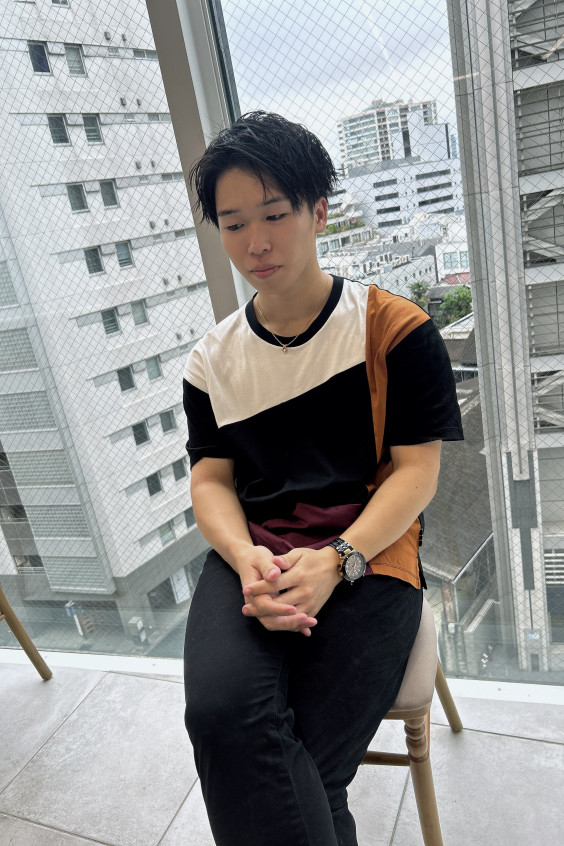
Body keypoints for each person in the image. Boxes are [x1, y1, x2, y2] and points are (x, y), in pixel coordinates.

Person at [182, 111, 463, 846]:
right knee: (219, 718)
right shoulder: (212, 359)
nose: (256, 242)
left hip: (371, 551)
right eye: (234, 224)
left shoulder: (394, 330)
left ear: (318, 212)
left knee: (299, 759)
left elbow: (417, 473)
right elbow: (211, 481)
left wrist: (338, 560)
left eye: (275, 214)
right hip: (255, 553)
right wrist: (244, 556)